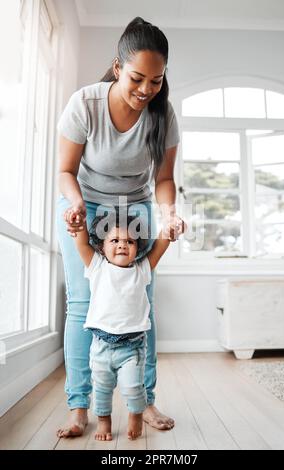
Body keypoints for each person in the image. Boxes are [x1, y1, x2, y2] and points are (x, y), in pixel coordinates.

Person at [56, 16, 186, 438]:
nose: (146, 90)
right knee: (82, 304)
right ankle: (80, 407)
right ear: (117, 68)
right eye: (137, 78)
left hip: (136, 205)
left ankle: (143, 400)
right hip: (87, 201)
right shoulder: (85, 104)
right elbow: (65, 170)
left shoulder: (162, 116)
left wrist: (168, 215)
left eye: (156, 80)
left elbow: (164, 180)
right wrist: (76, 203)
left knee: (140, 304)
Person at [72, 210, 180, 441]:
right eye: (115, 240)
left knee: (133, 387)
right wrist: (78, 223)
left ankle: (136, 414)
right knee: (101, 389)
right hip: (100, 346)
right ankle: (104, 421)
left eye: (129, 241)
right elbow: (81, 243)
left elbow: (160, 246)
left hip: (132, 347)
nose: (122, 245)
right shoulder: (97, 266)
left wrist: (168, 229)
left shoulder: (141, 269)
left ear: (137, 247)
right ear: (101, 246)